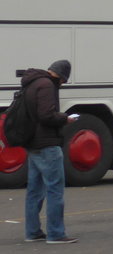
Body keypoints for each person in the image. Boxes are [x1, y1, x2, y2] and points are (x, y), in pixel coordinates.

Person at [23, 59, 79, 244]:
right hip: (48, 144)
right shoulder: (47, 85)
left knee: (34, 191)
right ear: (61, 76)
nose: (62, 84)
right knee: (55, 190)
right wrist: (66, 118)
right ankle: (56, 233)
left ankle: (32, 232)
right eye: (63, 80)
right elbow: (46, 115)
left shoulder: (32, 83)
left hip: (33, 143)